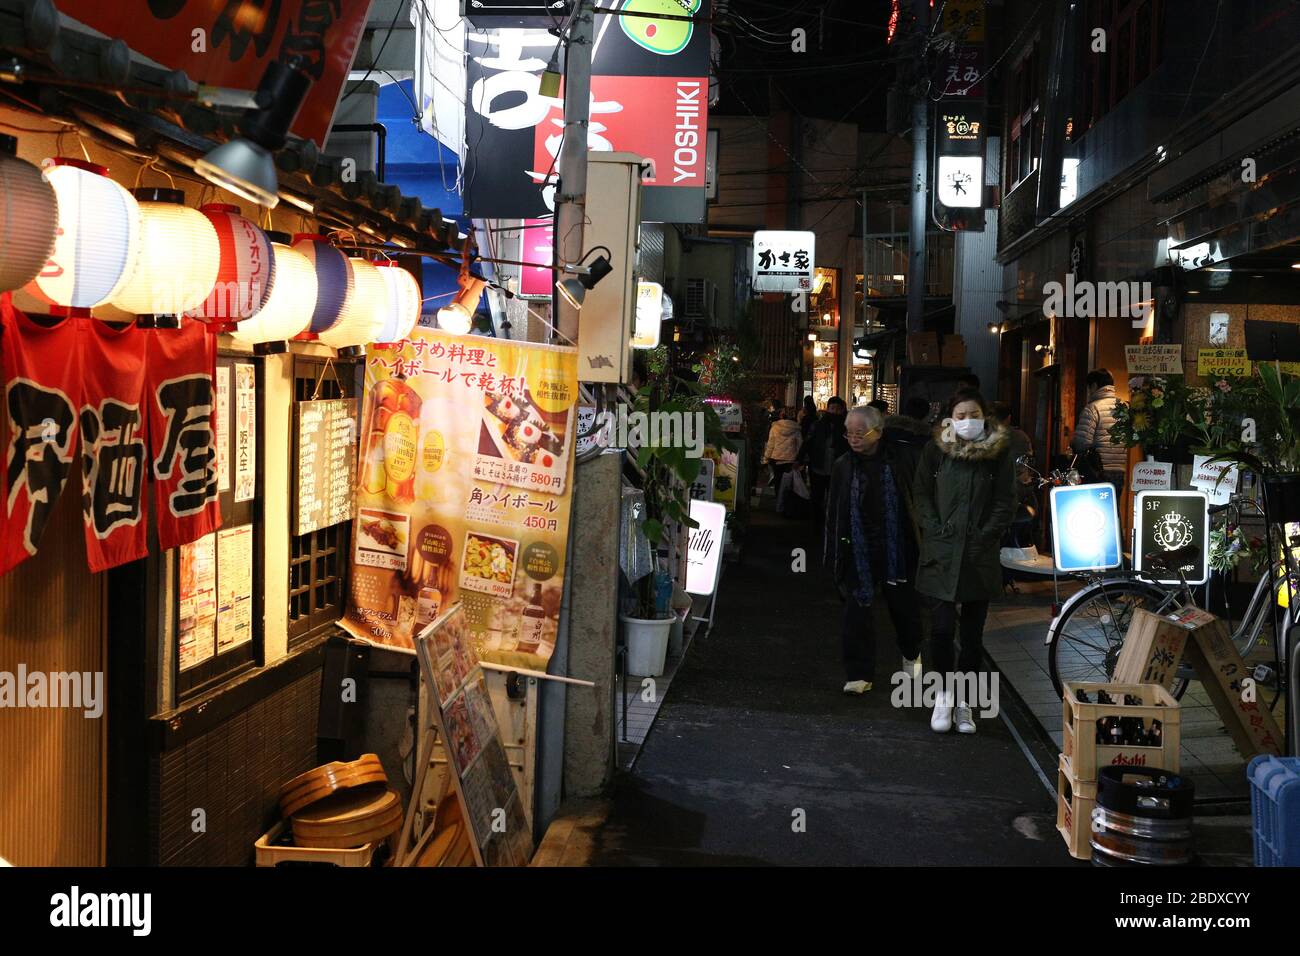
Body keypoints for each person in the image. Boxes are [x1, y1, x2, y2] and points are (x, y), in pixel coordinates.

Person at [912, 388, 1017, 735]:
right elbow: (921, 492)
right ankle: (943, 695)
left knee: (973, 636)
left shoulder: (997, 454)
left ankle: (965, 703)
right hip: (941, 551)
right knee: (941, 630)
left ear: (984, 417)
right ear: (949, 419)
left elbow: (1006, 499)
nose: (967, 421)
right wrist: (934, 527)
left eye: (973, 415)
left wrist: (986, 533)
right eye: (960, 416)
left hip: (977, 554)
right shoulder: (935, 451)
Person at [825, 405, 923, 694]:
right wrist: (833, 553)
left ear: (878, 432)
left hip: (899, 548)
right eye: (849, 433)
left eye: (859, 433)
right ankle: (859, 673)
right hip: (858, 549)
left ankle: (911, 653)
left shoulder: (901, 459)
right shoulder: (843, 464)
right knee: (856, 614)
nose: (853, 438)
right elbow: (834, 511)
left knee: (904, 610)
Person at [1070, 368, 1127, 496]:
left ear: (1095, 385)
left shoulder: (1093, 408)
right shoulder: (1123, 408)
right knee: (1114, 508)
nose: (1089, 392)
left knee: (1096, 507)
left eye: (1089, 387)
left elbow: (1082, 442)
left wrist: (1073, 445)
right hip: (1119, 470)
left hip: (1098, 470)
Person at [798, 396, 849, 523]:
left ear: (842, 410)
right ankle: (817, 522)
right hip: (818, 465)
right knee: (817, 496)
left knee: (835, 497)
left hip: (838, 468)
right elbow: (807, 442)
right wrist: (799, 459)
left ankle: (832, 522)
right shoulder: (818, 425)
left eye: (838, 409)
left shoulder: (846, 427)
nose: (835, 412)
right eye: (832, 408)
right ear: (828, 409)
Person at [763, 407, 802, 511]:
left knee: (778, 481)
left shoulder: (775, 427)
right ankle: (787, 504)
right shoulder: (796, 428)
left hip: (777, 459)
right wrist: (799, 459)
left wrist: (766, 458)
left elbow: (770, 445)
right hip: (791, 459)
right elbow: (799, 445)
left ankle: (779, 504)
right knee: (789, 483)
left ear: (781, 416)